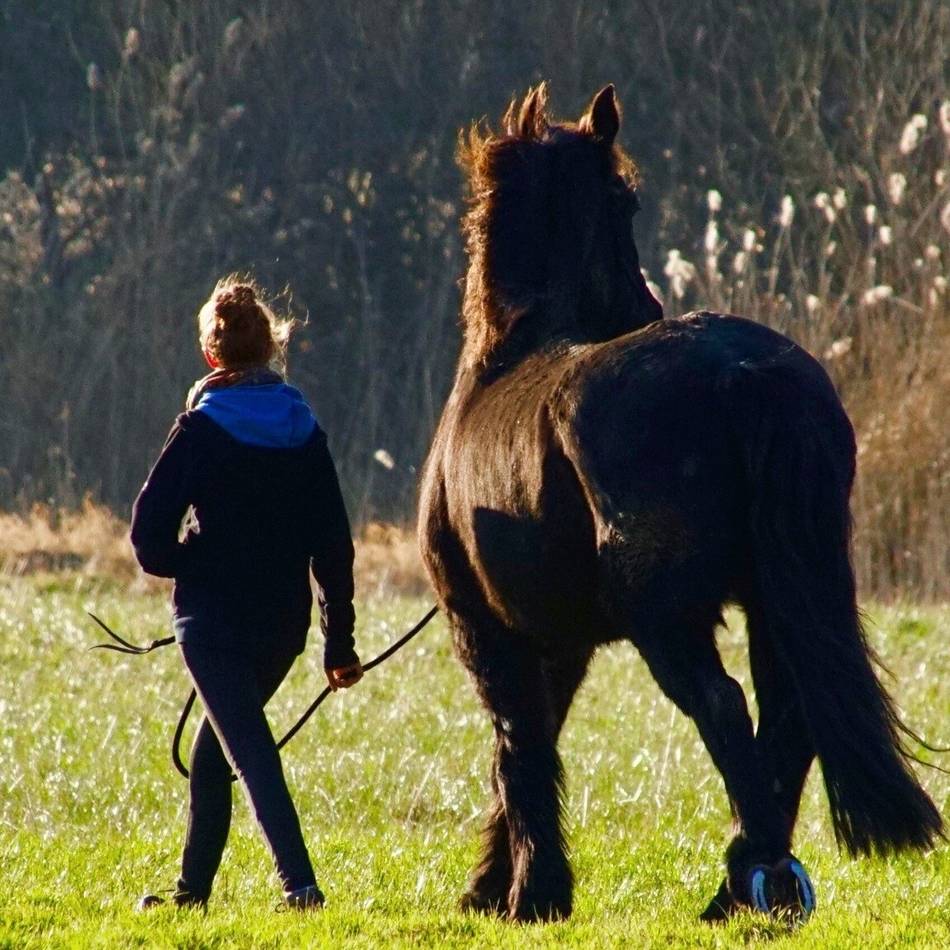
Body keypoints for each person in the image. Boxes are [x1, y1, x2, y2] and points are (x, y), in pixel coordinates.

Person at [130, 276, 362, 911]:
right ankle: (189, 898)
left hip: (212, 622)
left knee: (249, 751)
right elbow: (333, 546)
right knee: (215, 754)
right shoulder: (305, 430)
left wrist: (192, 565)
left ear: (212, 355)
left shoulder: (199, 430)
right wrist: (337, 641)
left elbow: (147, 534)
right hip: (281, 626)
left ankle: (302, 887)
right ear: (271, 349)